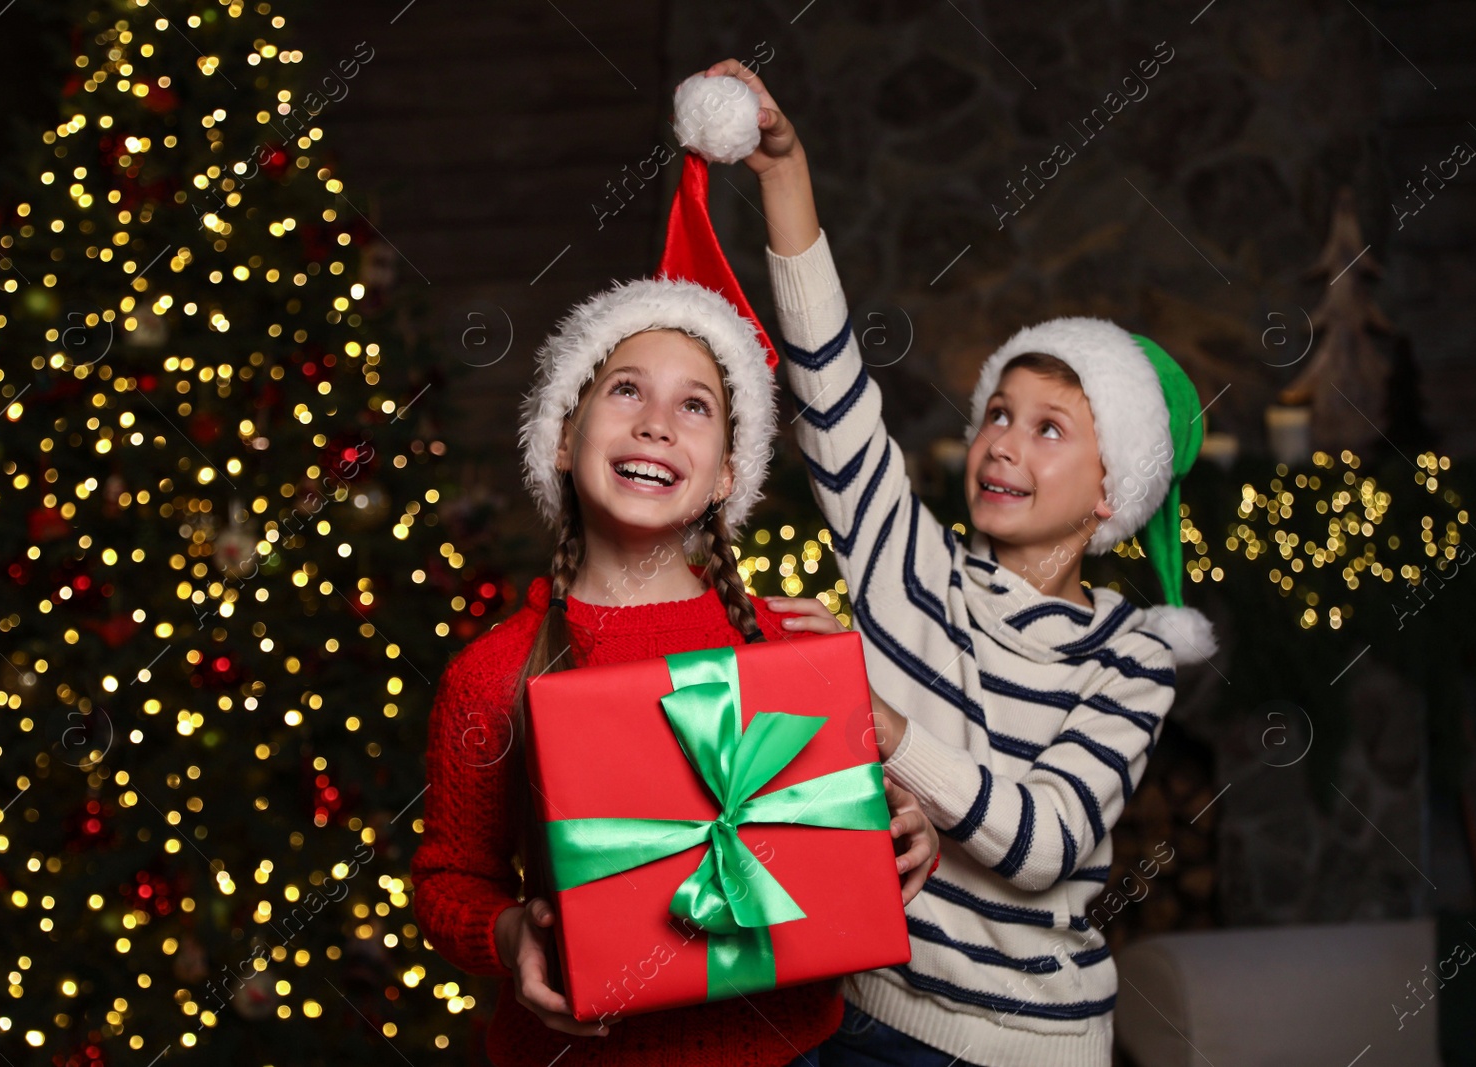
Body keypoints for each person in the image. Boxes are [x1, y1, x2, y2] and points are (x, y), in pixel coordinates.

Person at [696, 57, 1218, 1067]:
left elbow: (1043, 841)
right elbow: (831, 384)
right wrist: (782, 172)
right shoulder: (908, 564)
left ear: (1112, 491)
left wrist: (874, 718)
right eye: (995, 413)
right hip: (860, 1019)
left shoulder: (1131, 655)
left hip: (1026, 1047)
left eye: (1050, 427)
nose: (1004, 442)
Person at [410, 266, 941, 1067]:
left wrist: (904, 831)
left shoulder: (791, 642)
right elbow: (449, 876)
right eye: (627, 390)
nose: (657, 424)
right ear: (562, 435)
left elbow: (841, 819)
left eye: (695, 405)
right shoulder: (492, 674)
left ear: (728, 473)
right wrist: (508, 929)